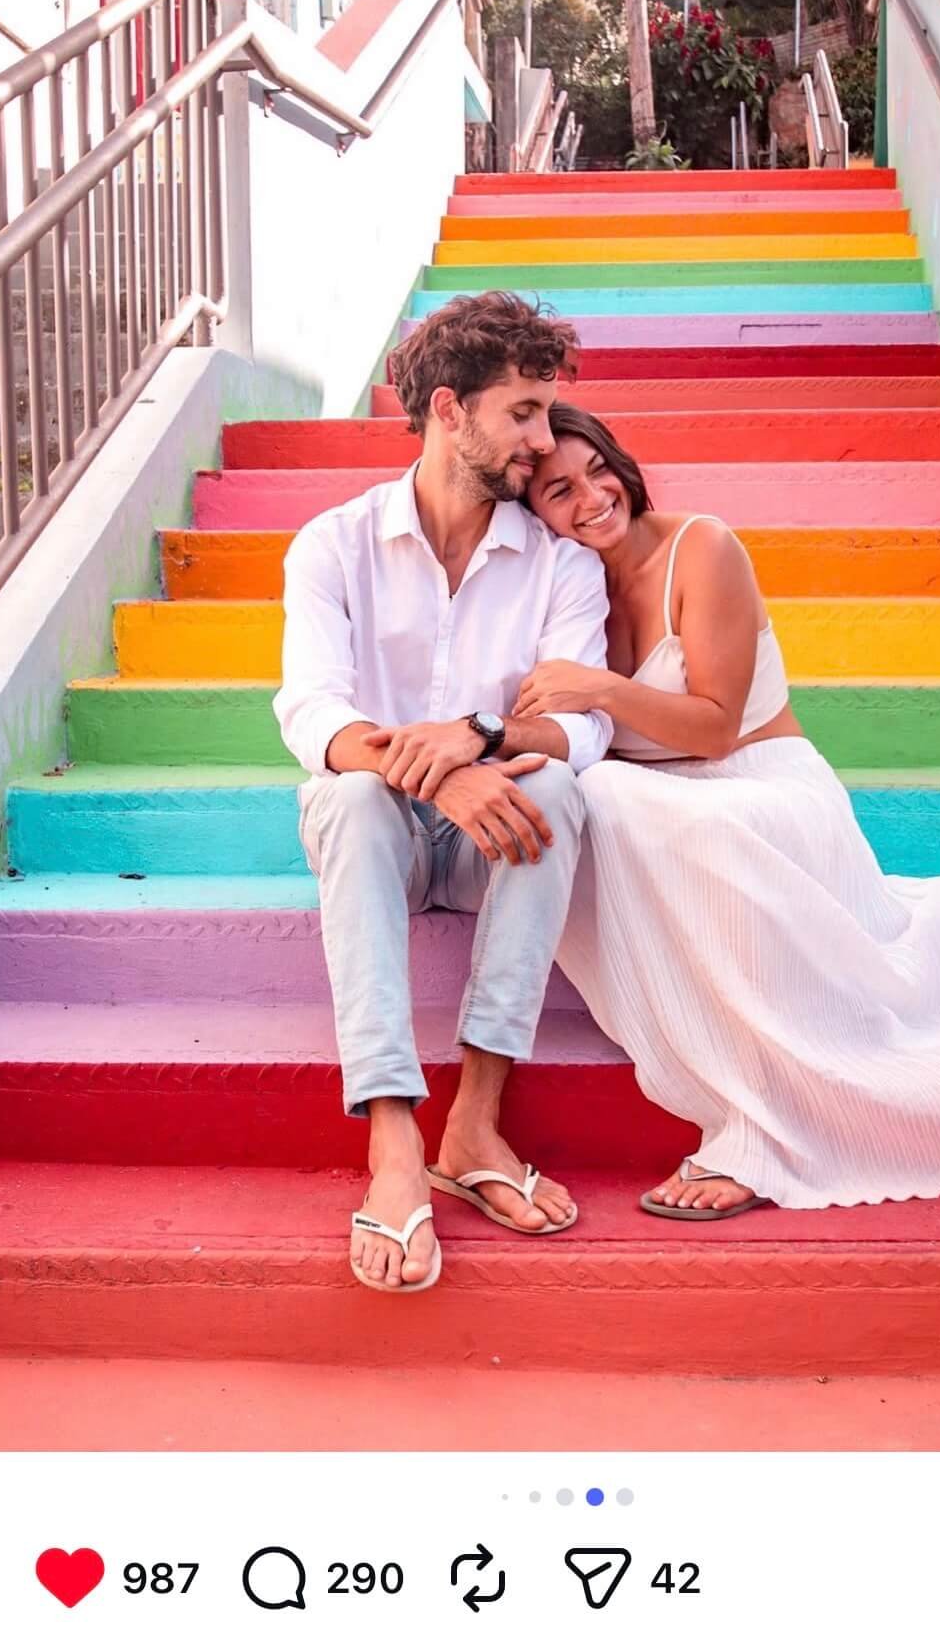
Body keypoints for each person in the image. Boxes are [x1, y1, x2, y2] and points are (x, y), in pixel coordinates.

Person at [518, 404, 940, 1219]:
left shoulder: (702, 547)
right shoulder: (565, 592)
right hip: (673, 817)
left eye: (596, 471)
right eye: (557, 491)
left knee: (612, 795)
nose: (590, 498)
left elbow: (716, 728)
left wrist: (601, 688)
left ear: (623, 465)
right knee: (591, 798)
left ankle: (764, 1128)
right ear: (532, 512)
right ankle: (737, 1080)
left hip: (763, 788)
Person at [273, 295, 612, 1294]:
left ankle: (474, 1121)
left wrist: (485, 741)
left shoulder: (559, 563)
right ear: (449, 412)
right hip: (375, 834)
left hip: (493, 840)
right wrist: (439, 772)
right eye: (523, 413)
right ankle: (390, 1141)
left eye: (548, 414)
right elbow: (312, 713)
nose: (544, 441)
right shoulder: (331, 546)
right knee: (346, 797)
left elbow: (582, 725)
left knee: (558, 783)